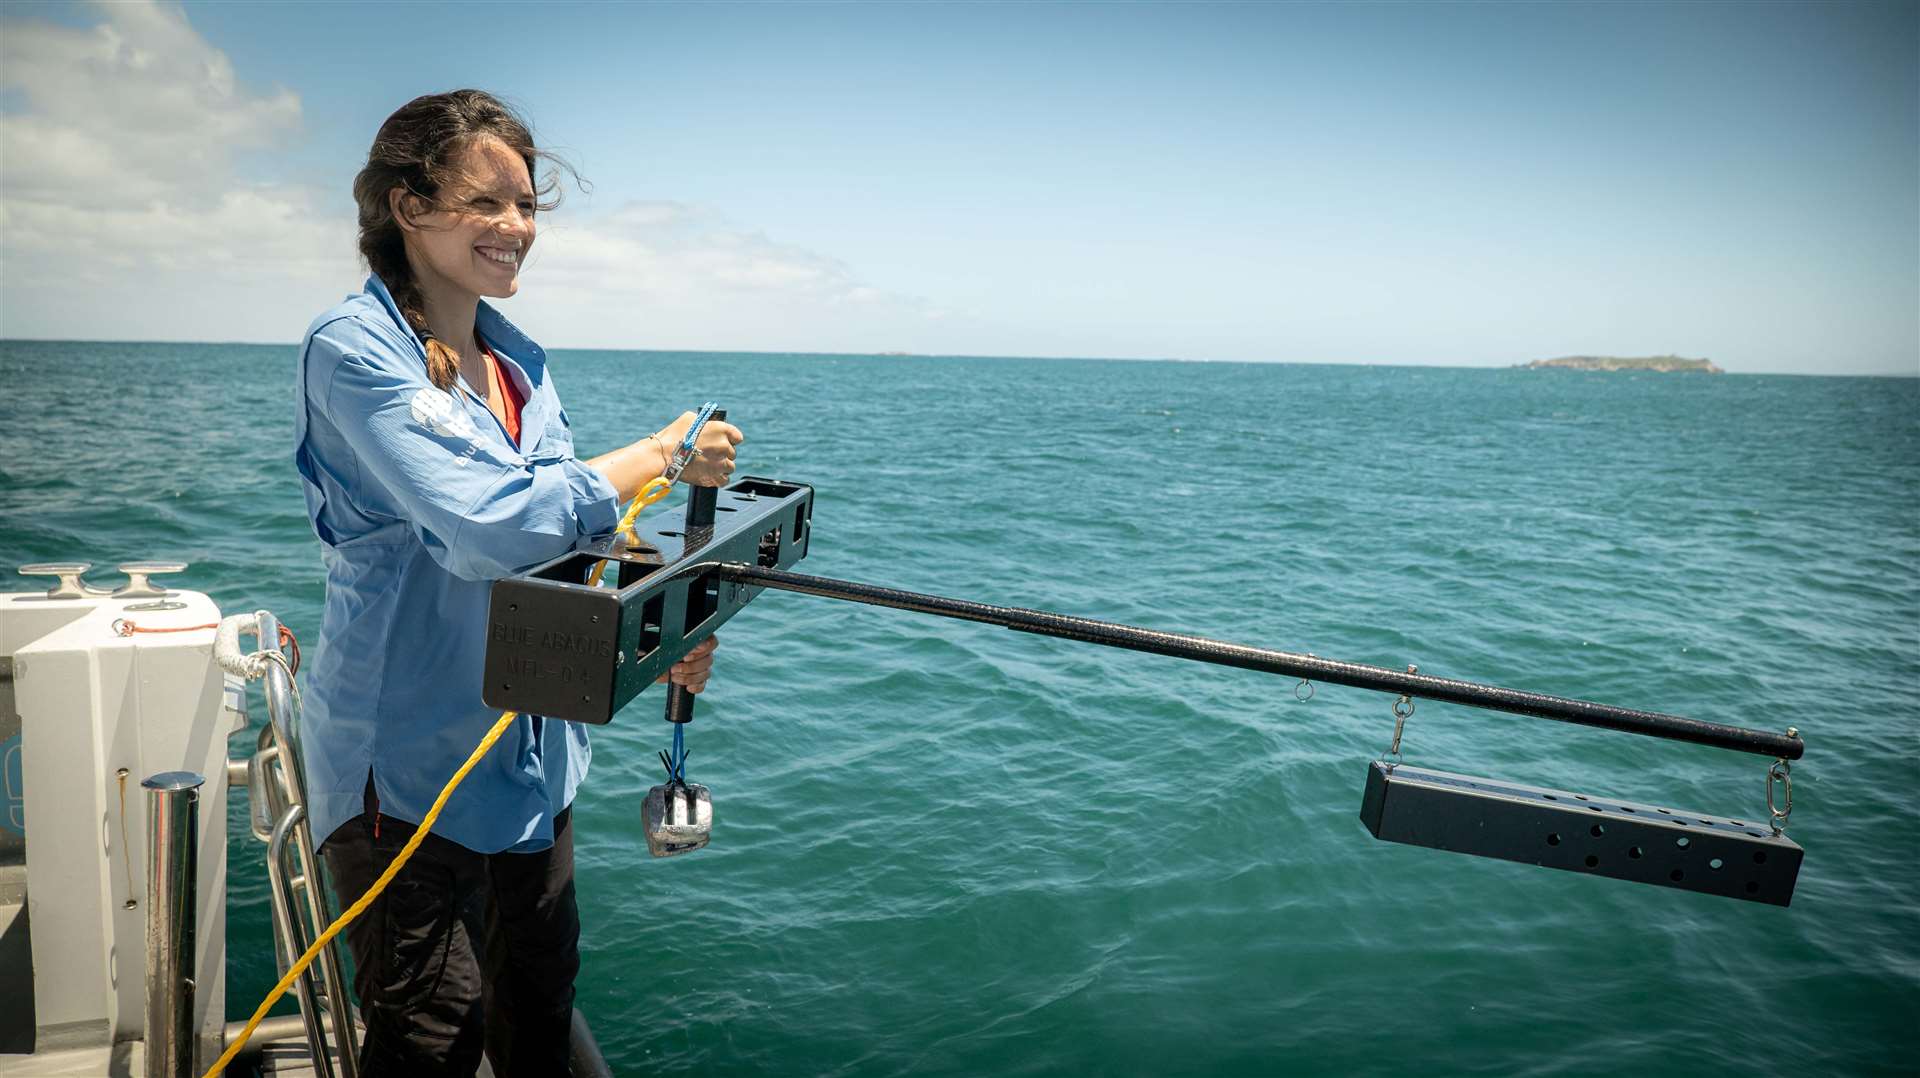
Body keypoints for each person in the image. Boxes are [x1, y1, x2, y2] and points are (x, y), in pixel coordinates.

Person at [292, 89, 742, 1076]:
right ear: (410, 208)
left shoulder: (521, 364)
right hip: (403, 772)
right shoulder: (356, 351)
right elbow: (487, 527)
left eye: (528, 205)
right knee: (430, 1036)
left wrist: (658, 622)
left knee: (538, 1007)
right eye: (487, 203)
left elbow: (568, 550)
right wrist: (661, 452)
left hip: (530, 766)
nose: (517, 228)